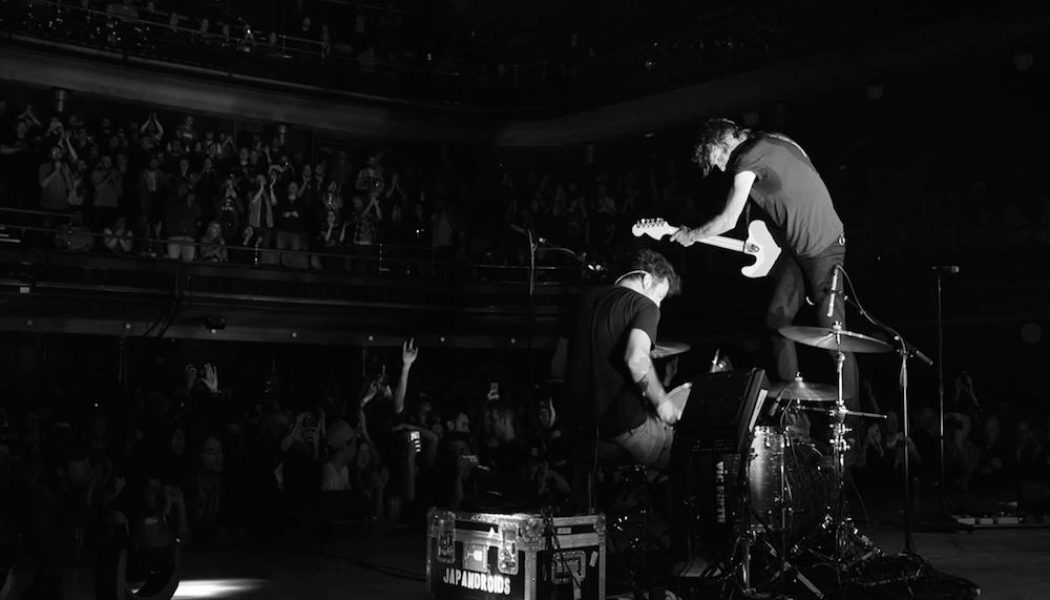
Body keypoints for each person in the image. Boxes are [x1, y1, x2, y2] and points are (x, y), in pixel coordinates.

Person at [671, 118, 858, 405]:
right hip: (796, 249)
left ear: (726, 142)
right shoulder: (771, 138)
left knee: (834, 334)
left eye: (718, 157)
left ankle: (852, 419)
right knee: (777, 320)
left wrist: (693, 234)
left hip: (825, 247)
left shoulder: (747, 157)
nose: (721, 166)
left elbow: (728, 219)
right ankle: (794, 410)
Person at [565, 249, 681, 468]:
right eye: (659, 297)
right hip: (623, 428)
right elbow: (637, 360)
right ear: (647, 280)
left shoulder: (581, 301)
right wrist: (663, 403)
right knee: (682, 453)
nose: (657, 305)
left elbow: (558, 365)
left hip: (578, 430)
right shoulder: (644, 306)